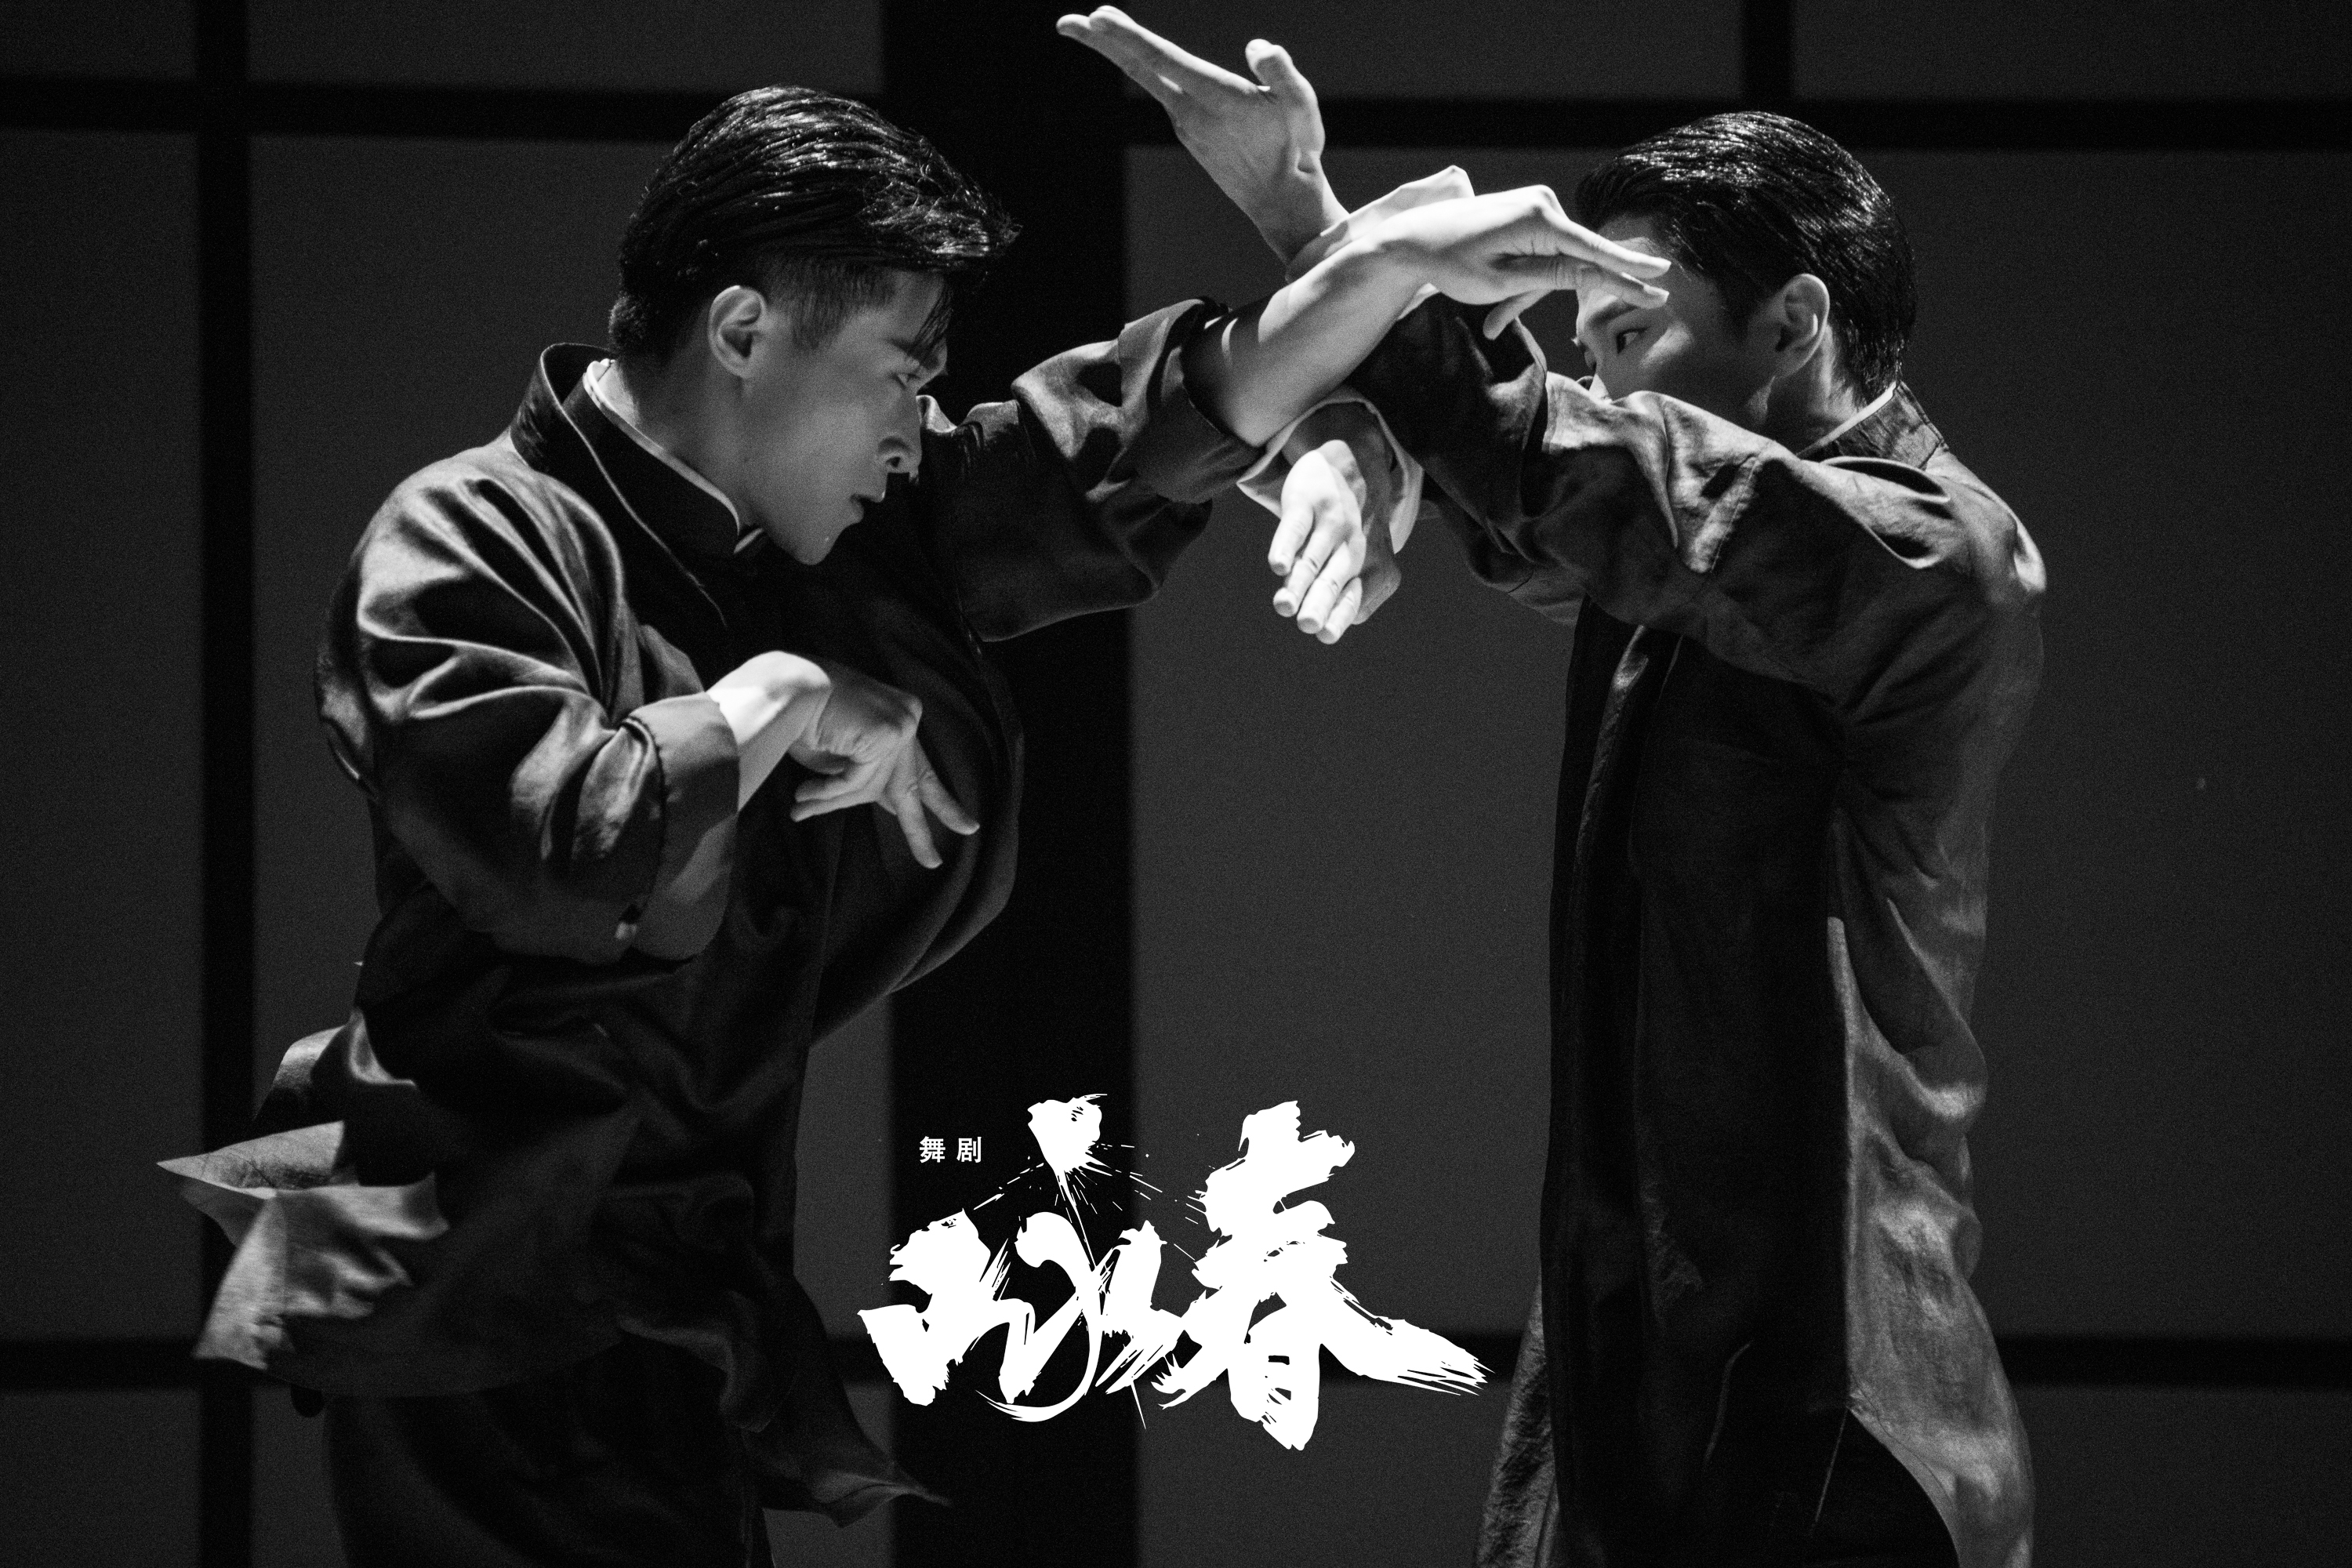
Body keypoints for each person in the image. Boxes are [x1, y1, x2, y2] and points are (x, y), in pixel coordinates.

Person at [162, 82, 1666, 1567]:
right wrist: (783, 697)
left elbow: (1109, 443)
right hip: (474, 1290)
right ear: (742, 332)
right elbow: (560, 852)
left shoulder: (840, 524)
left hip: (676, 1308)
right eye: (897, 374)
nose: (915, 425)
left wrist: (1362, 269)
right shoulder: (470, 535)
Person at [1062, 11, 2045, 1567]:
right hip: (1646, 1367)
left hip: (1829, 1394)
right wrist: (1319, 262)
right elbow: (1536, 497)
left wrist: (1334, 239)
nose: (1599, 377)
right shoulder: (1691, 550)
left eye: (1628, 336)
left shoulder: (1939, 557)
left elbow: (1568, 469)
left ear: (1791, 325)